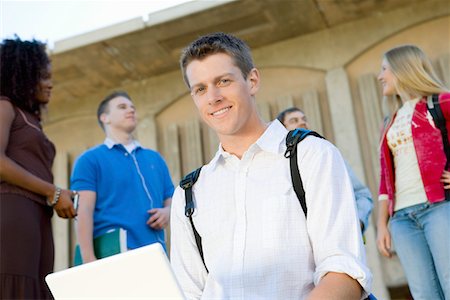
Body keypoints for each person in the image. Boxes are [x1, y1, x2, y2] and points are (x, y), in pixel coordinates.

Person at [170, 32, 372, 299]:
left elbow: (344, 273)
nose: (213, 97)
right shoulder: (188, 193)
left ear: (252, 80)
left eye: (224, 81)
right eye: (200, 89)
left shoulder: (312, 155)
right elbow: (188, 293)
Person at [0, 37, 77, 299]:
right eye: (43, 76)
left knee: (37, 288)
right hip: (13, 211)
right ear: (22, 74)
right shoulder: (4, 106)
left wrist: (57, 194)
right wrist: (53, 192)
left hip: (38, 216)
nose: (50, 83)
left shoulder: (30, 118)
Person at [376, 44, 450, 299]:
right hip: (402, 220)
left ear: (402, 69)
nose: (380, 76)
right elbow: (385, 180)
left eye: (384, 69)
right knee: (424, 295)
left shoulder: (441, 103)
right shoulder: (390, 121)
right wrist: (382, 225)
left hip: (439, 209)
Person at [71, 91, 174, 263]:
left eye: (132, 107)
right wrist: (88, 259)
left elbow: (170, 198)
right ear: (105, 118)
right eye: (122, 107)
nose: (131, 110)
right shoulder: (89, 160)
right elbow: (84, 210)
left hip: (157, 255)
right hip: (113, 253)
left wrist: (168, 212)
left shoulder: (155, 158)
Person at [277, 107, 373, 233]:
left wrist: (358, 223)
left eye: (304, 119)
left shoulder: (328, 155)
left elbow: (362, 195)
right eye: (294, 120)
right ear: (281, 129)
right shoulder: (277, 165)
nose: (302, 122)